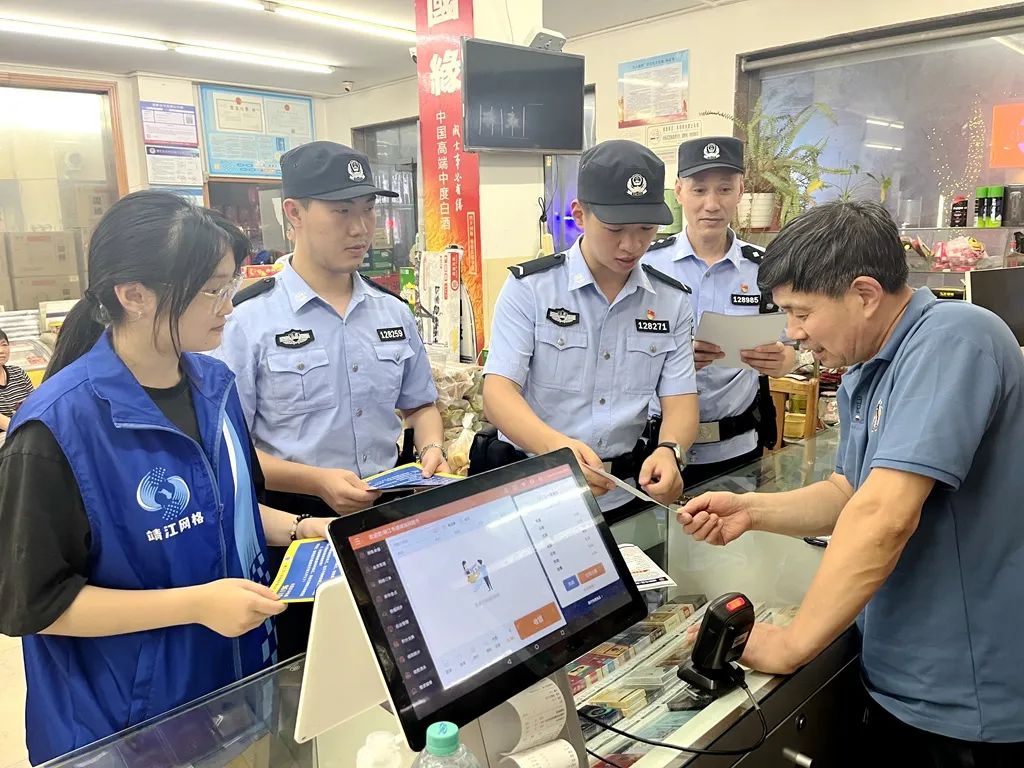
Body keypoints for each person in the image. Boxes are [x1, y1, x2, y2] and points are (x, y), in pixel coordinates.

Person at [677, 201, 1024, 767]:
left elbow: (884, 515)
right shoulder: (869, 363)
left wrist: (793, 643)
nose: (792, 333)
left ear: (864, 294)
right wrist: (753, 510)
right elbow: (849, 493)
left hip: (965, 694)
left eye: (801, 313)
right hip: (897, 672)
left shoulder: (954, 339)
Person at [0, 191, 330, 765]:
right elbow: (36, 603)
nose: (228, 307)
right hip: (125, 729)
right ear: (134, 295)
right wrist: (195, 605)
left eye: (231, 285)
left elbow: (226, 507)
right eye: (212, 290)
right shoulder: (57, 429)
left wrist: (305, 529)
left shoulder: (214, 387)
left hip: (233, 694)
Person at [212, 141, 449, 657]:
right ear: (293, 213)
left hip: (388, 510)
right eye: (342, 212)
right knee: (312, 667)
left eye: (368, 210)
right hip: (295, 526)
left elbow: (421, 405)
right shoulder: (246, 321)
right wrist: (316, 481)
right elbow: (228, 455)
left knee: (402, 657)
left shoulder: (392, 311)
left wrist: (432, 447)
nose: (361, 228)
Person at [479, 140, 699, 521]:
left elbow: (681, 400)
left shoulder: (671, 301)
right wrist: (556, 449)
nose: (632, 244)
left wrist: (670, 450)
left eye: (646, 228)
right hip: (538, 495)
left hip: (626, 496)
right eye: (615, 229)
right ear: (579, 215)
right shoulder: (531, 289)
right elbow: (497, 394)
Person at [642, 136, 795, 486]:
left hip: (737, 449)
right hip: (656, 446)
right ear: (679, 191)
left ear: (740, 191)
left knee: (736, 523)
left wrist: (782, 361)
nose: (711, 204)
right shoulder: (646, 267)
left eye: (724, 189)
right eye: (699, 190)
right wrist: (675, 359)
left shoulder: (765, 269)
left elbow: (792, 347)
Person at [0, 328, 34, 433]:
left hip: (27, 430)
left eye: (4, 345)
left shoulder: (18, 373)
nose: (1, 350)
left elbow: (35, 402)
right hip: (10, 434)